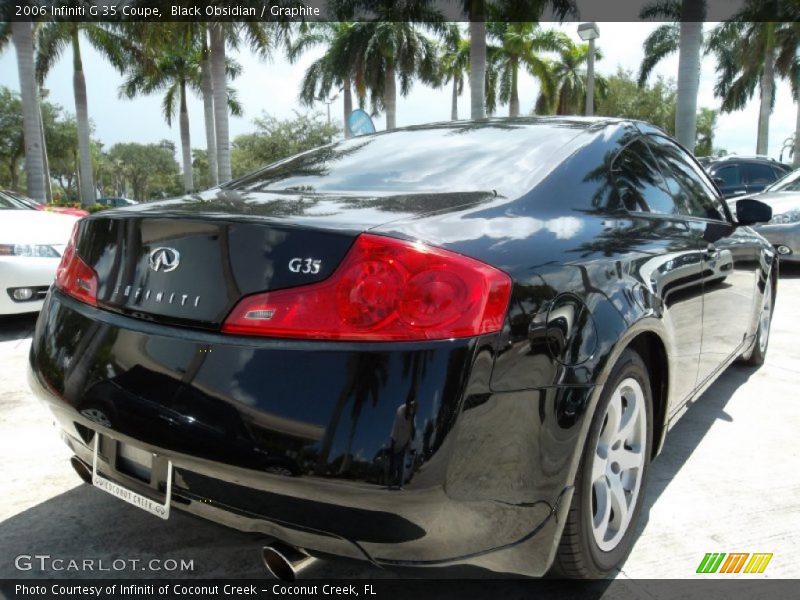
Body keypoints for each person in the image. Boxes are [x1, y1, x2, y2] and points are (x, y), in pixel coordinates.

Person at [388, 399, 417, 489]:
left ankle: (400, 485)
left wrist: (412, 420)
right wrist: (393, 445)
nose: (412, 409)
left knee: (401, 466)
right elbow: (395, 428)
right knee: (394, 465)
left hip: (404, 444)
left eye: (413, 408)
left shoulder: (412, 418)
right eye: (411, 407)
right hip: (397, 444)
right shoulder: (400, 411)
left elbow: (413, 434)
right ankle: (390, 483)